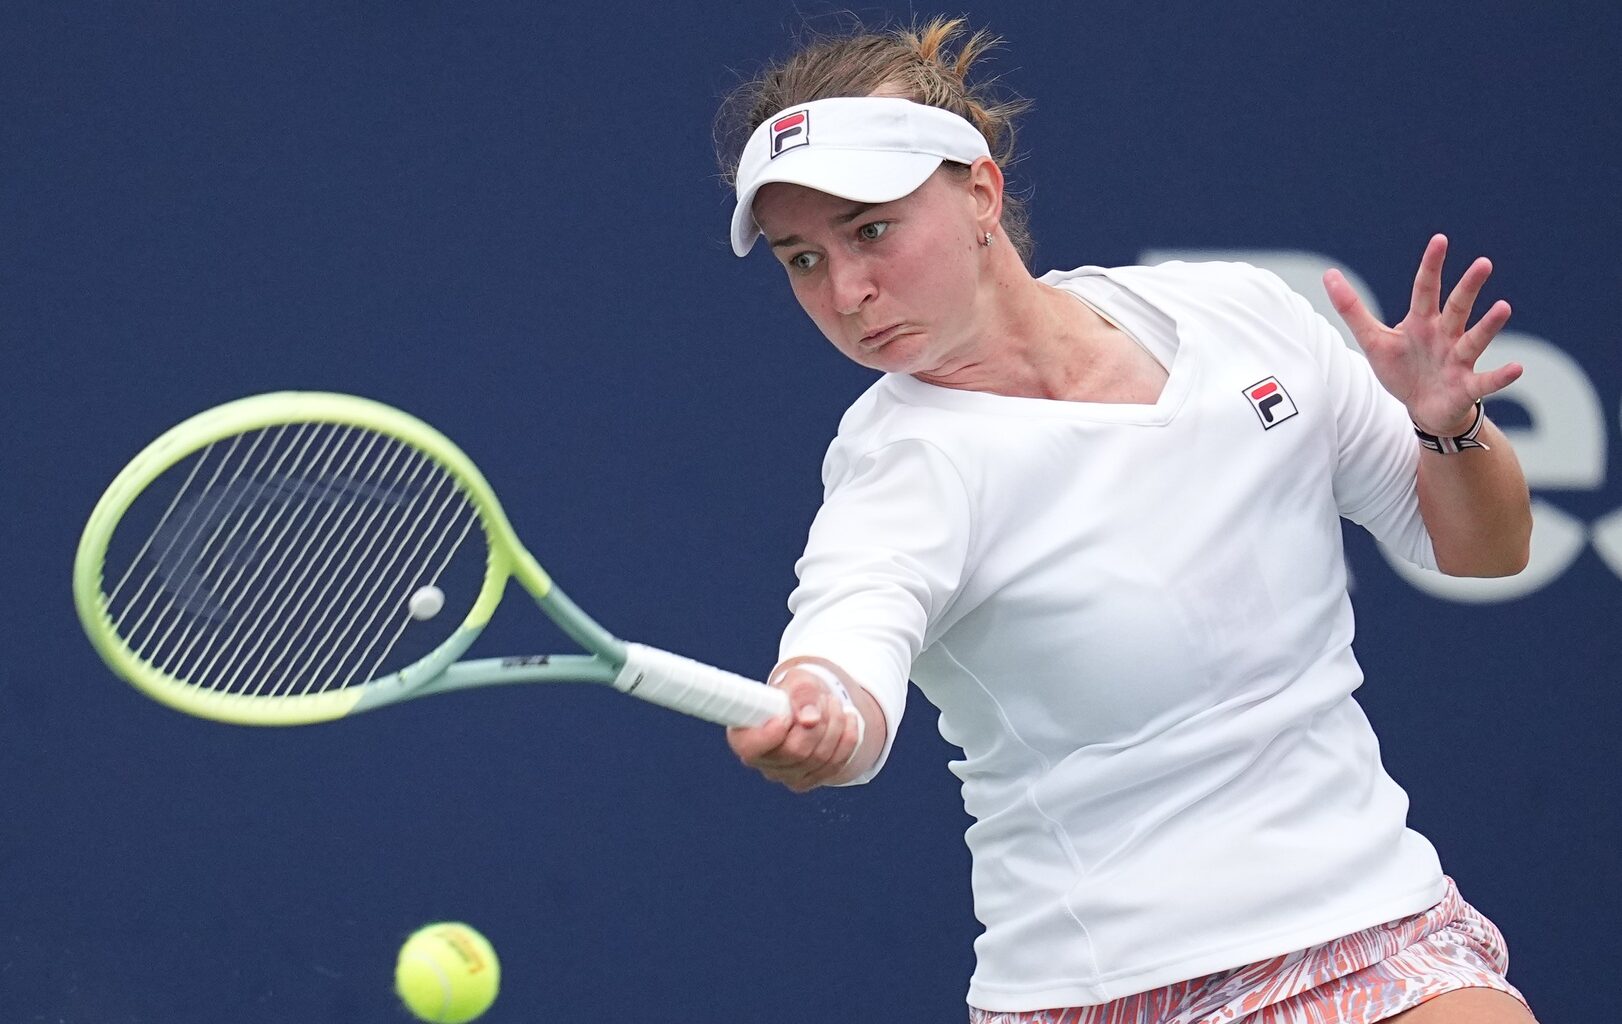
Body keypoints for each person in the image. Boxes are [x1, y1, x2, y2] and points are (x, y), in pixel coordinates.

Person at [717, 17, 1537, 1024]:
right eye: (801, 260)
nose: (845, 292)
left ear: (978, 191)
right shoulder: (901, 466)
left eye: (869, 230)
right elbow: (850, 638)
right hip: (1107, 990)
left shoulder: (1238, 315)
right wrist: (822, 705)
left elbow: (1482, 547)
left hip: (1370, 925)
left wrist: (1446, 426)